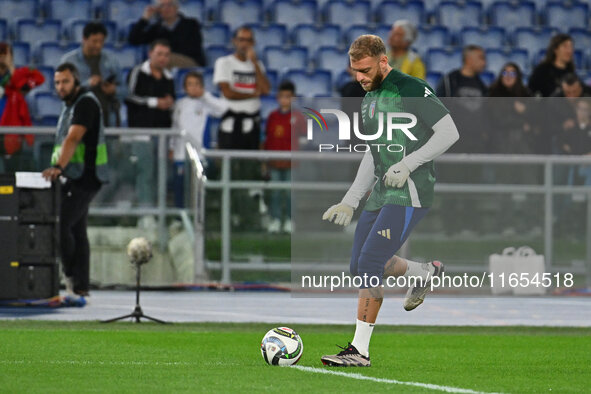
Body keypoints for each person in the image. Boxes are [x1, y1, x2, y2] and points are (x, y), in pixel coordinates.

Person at [320, 35, 459, 367]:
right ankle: (422, 272)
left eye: (365, 70)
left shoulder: (410, 88)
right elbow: (373, 151)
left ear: (383, 61)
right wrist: (350, 200)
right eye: (355, 71)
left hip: (411, 191)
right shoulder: (369, 99)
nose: (360, 78)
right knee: (360, 266)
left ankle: (359, 351)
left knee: (369, 266)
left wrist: (409, 163)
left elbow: (449, 132)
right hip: (383, 192)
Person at [42, 63, 109, 298]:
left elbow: (73, 138)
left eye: (65, 81)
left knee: (62, 225)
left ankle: (70, 274)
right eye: (58, 82)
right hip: (75, 176)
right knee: (78, 231)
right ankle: (81, 286)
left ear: (76, 81)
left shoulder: (85, 103)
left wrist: (58, 166)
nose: (61, 86)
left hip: (85, 176)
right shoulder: (70, 105)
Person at [213, 26, 270, 229]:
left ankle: (248, 216)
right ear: (234, 41)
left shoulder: (257, 64)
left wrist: (254, 62)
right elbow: (227, 92)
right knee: (230, 169)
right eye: (241, 39)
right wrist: (252, 94)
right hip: (231, 125)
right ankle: (229, 214)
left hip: (251, 125)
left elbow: (265, 89)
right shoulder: (224, 63)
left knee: (249, 169)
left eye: (248, 40)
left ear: (252, 43)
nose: (244, 43)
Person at [125, 39, 175, 206]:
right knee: (144, 173)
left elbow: (171, 103)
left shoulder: (168, 78)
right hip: (141, 133)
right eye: (159, 54)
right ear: (150, 54)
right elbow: (129, 97)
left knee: (162, 176)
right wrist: (154, 102)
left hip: (163, 136)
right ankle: (145, 214)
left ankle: (159, 212)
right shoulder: (138, 72)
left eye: (166, 55)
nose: (163, 58)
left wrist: (169, 103)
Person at [170, 71, 227, 207]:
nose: (193, 87)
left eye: (197, 84)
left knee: (199, 188)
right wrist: (171, 147)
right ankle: (179, 217)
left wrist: (205, 95)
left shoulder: (206, 103)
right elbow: (174, 127)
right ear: (184, 87)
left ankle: (198, 218)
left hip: (199, 153)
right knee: (180, 187)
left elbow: (223, 109)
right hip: (180, 153)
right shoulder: (179, 104)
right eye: (190, 84)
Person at [262, 80, 305, 234]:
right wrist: (265, 161)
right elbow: (267, 139)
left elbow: (305, 139)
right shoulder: (272, 116)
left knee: (289, 193)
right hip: (274, 162)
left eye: (288, 96)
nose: (285, 100)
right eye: (282, 96)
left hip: (291, 163)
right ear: (278, 98)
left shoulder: (299, 117)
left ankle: (289, 219)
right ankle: (275, 219)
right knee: (275, 192)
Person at [61, 22, 123, 127]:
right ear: (84, 39)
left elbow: (126, 90)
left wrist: (114, 90)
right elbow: (62, 91)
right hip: (78, 121)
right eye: (94, 41)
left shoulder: (112, 60)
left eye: (101, 42)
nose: (98, 45)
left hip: (107, 121)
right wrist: (87, 84)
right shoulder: (69, 61)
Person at [0, 42, 44, 172]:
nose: (2, 57)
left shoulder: (20, 73)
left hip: (12, 134)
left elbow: (32, 82)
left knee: (11, 174)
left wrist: (10, 67)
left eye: (5, 53)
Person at [129, 0, 206, 67]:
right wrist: (145, 18)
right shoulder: (156, 29)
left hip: (188, 61)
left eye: (170, 5)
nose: (166, 8)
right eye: (162, 6)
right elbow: (134, 40)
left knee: (163, 58)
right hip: (163, 62)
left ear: (176, 7)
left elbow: (194, 47)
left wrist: (166, 53)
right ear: (158, 9)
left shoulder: (191, 24)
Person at [487, 62, 533, 154]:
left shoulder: (525, 93)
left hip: (521, 144)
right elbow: (497, 119)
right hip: (499, 142)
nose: (508, 76)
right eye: (505, 73)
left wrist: (525, 111)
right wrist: (521, 123)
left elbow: (534, 118)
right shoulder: (493, 93)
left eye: (512, 73)